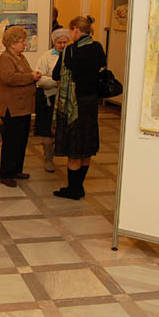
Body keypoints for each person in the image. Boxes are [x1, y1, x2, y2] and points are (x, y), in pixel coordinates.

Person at [51, 15, 106, 199]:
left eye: (71, 31)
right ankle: (79, 187)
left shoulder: (70, 50)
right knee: (86, 148)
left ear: (75, 29)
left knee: (74, 150)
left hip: (74, 106)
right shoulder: (97, 47)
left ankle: (73, 189)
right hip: (91, 104)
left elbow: (56, 75)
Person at [0, 26, 42, 187]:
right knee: (11, 142)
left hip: (23, 107)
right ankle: (6, 174)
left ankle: (16, 170)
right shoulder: (5, 58)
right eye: (22, 41)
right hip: (12, 107)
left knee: (21, 140)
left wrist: (34, 75)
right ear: (12, 43)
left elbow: (26, 73)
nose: (25, 44)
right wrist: (31, 76)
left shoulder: (20, 57)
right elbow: (9, 78)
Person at [34, 28, 71, 172]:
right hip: (49, 98)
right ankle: (48, 159)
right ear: (54, 42)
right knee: (47, 130)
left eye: (65, 42)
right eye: (59, 42)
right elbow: (40, 79)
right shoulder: (46, 57)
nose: (62, 45)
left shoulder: (72, 56)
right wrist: (56, 82)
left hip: (66, 100)